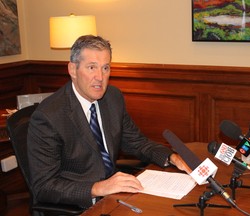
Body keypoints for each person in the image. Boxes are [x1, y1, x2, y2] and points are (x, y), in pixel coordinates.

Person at [27, 35, 191, 209]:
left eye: (105, 68)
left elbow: (137, 142)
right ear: (73, 70)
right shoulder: (49, 116)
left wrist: (171, 157)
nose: (100, 77)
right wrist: (98, 188)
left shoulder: (112, 97)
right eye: (92, 67)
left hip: (115, 195)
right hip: (80, 204)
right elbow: (44, 187)